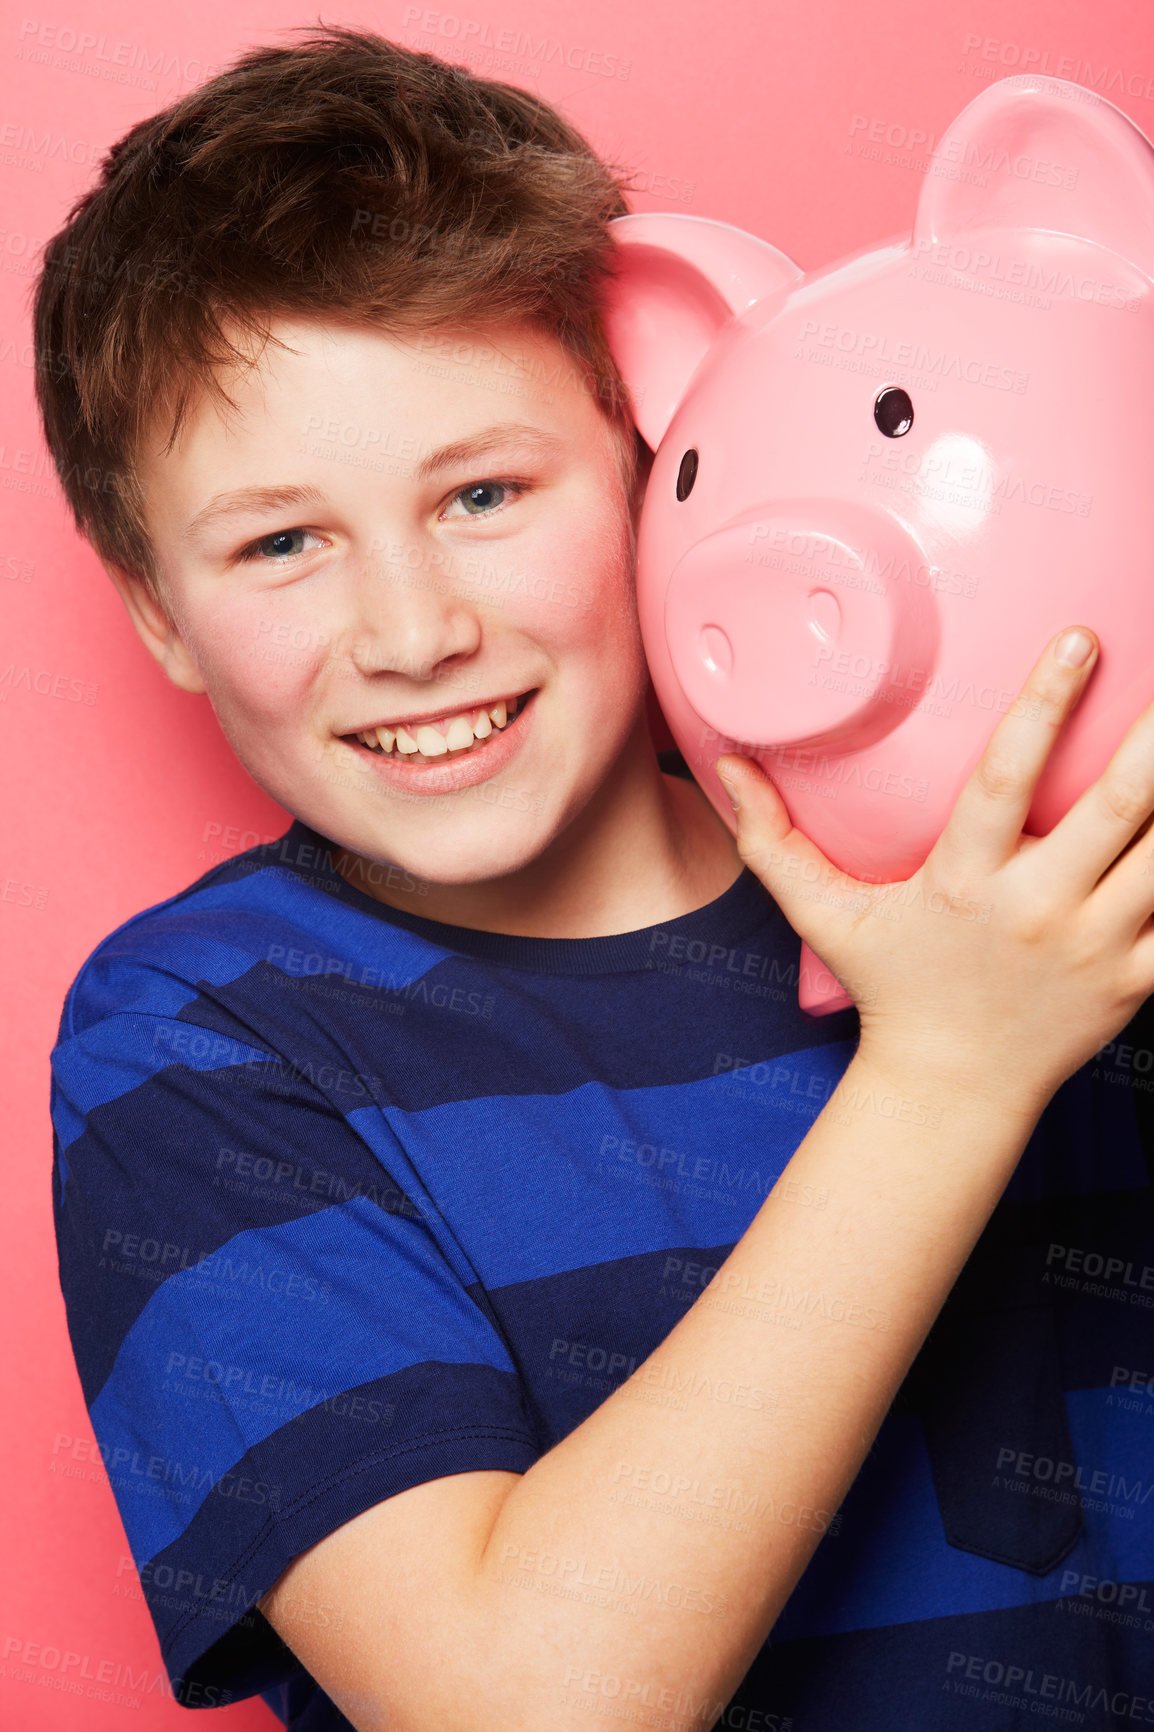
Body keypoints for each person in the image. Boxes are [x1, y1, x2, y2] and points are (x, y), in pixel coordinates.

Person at [36, 24, 1154, 1732]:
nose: (414, 634)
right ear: (157, 613)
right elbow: (520, 1706)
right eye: (280, 543)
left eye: (483, 492)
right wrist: (948, 1068)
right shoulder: (192, 1045)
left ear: (647, 449)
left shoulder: (1039, 874)